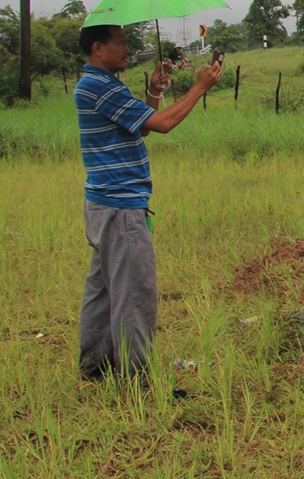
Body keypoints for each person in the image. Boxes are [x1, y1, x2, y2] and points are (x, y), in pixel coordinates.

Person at [74, 24, 222, 383]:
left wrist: (153, 91)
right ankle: (137, 382)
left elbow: (140, 126)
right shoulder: (98, 85)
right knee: (134, 293)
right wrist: (199, 88)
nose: (127, 50)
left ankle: (95, 368)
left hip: (104, 203)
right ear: (98, 48)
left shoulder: (104, 83)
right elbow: (163, 124)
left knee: (104, 292)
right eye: (121, 44)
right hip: (120, 205)